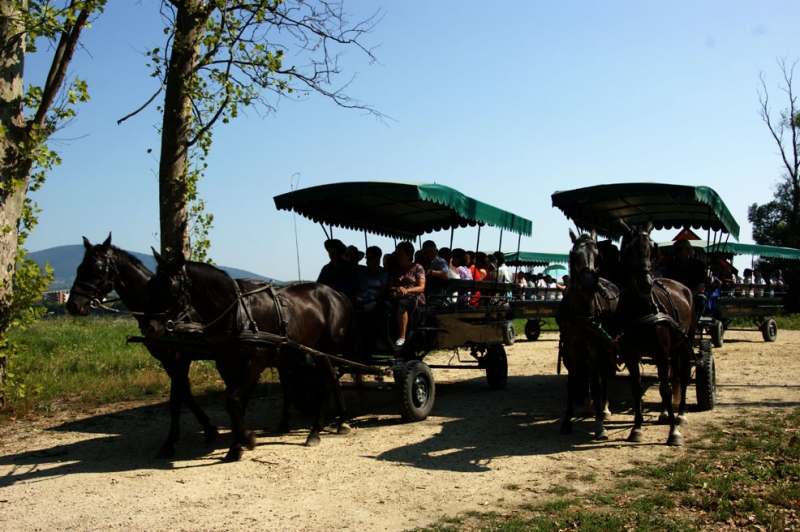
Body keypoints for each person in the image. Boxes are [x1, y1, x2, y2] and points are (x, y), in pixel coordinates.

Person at [388, 241, 426, 347]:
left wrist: (407, 290)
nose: (398, 257)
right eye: (397, 255)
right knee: (385, 305)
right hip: (397, 297)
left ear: (409, 255)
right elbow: (390, 287)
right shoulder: (395, 269)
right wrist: (397, 289)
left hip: (415, 298)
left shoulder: (417, 268)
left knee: (402, 304)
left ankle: (402, 337)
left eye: (401, 255)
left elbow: (421, 288)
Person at [662, 239, 708, 318]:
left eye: (680, 249)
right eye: (675, 250)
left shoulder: (698, 265)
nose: (677, 252)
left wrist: (692, 295)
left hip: (694, 294)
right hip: (675, 294)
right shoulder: (671, 265)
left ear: (688, 250)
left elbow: (702, 284)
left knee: (701, 299)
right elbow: (668, 282)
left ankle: (693, 321)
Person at [356, 246, 388, 311]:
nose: (368, 261)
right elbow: (357, 288)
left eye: (370, 258)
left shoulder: (383, 273)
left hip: (376, 302)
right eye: (367, 258)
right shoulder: (362, 273)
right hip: (361, 300)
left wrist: (370, 298)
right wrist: (359, 297)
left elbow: (382, 290)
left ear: (377, 259)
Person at [421, 240, 451, 306]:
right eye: (426, 252)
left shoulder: (440, 261)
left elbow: (447, 275)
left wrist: (431, 272)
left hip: (438, 298)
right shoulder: (423, 263)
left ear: (436, 251)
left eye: (431, 252)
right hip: (426, 297)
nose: (428, 254)